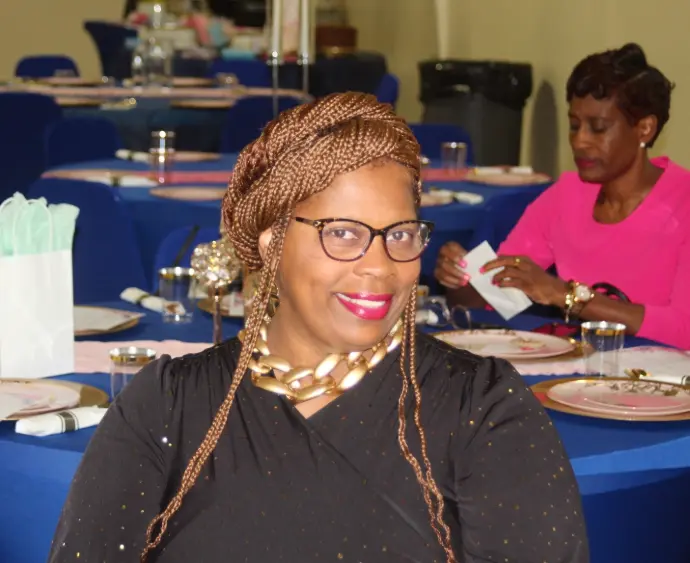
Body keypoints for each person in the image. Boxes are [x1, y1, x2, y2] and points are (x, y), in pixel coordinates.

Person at [48, 93, 588, 562]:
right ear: (273, 244)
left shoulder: (482, 410)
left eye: (400, 234)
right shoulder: (168, 407)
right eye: (344, 233)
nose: (380, 266)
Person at [434, 43, 690, 349]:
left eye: (598, 128)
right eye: (574, 126)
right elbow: (494, 298)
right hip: (583, 367)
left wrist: (566, 295)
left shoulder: (683, 204)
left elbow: (683, 329)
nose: (580, 141)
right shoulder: (566, 196)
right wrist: (459, 277)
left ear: (644, 129)